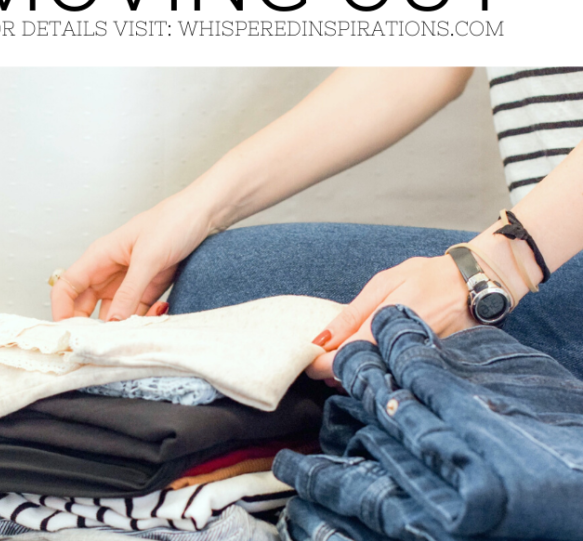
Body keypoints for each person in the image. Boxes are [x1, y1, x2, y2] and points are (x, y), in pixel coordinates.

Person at [50, 67, 583, 380]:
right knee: (204, 276)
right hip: (549, 260)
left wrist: (498, 267)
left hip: (537, 260)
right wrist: (199, 206)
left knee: (224, 282)